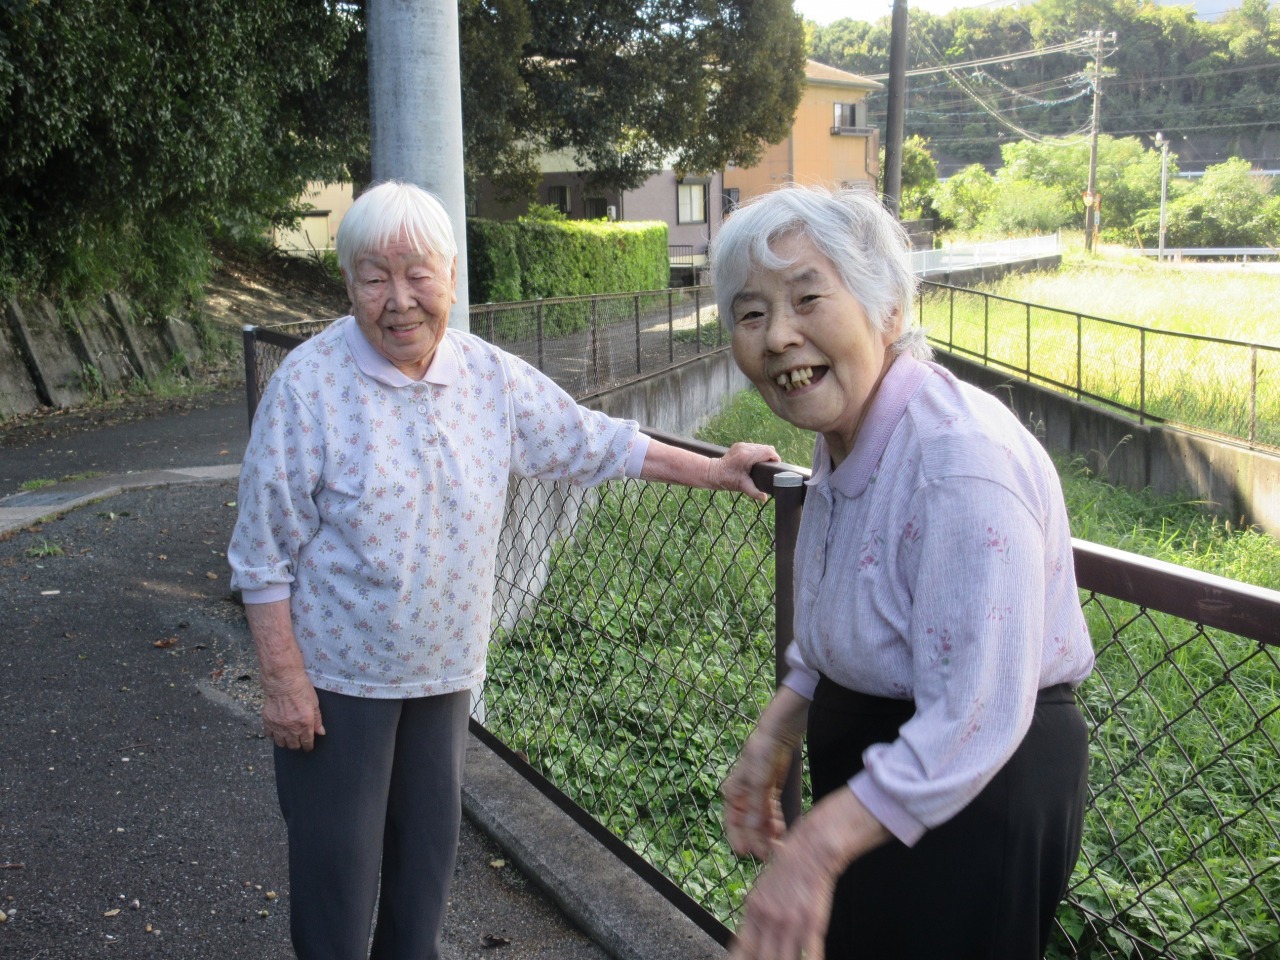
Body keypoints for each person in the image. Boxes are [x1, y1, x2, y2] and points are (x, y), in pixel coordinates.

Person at [227, 179, 779, 960]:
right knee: (336, 893)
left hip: (446, 673)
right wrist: (282, 678)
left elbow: (592, 440)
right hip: (338, 684)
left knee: (422, 884)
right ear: (348, 284)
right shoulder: (309, 387)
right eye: (373, 278)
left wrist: (716, 469)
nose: (398, 300)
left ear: (451, 277)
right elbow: (263, 552)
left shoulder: (487, 375)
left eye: (418, 274)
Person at [712, 185, 1095, 960]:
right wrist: (776, 731)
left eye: (807, 297)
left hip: (976, 790)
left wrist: (814, 851)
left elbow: (976, 712)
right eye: (751, 314)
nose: (779, 335)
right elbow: (840, 618)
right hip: (888, 781)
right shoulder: (851, 433)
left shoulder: (958, 460)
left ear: (888, 310)